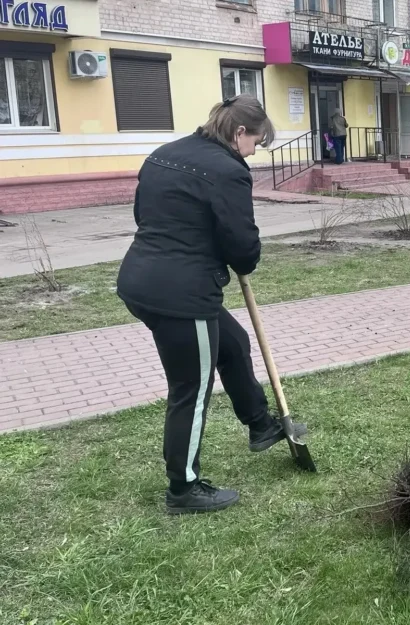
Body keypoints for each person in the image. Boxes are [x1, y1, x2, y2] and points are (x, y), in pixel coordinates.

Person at [117, 94, 300, 515]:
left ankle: (260, 425)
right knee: (191, 389)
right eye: (257, 142)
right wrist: (240, 255)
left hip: (141, 280)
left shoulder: (167, 153)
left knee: (232, 343)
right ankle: (183, 489)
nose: (255, 152)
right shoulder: (228, 171)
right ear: (239, 133)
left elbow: (145, 213)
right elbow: (241, 245)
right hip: (181, 294)